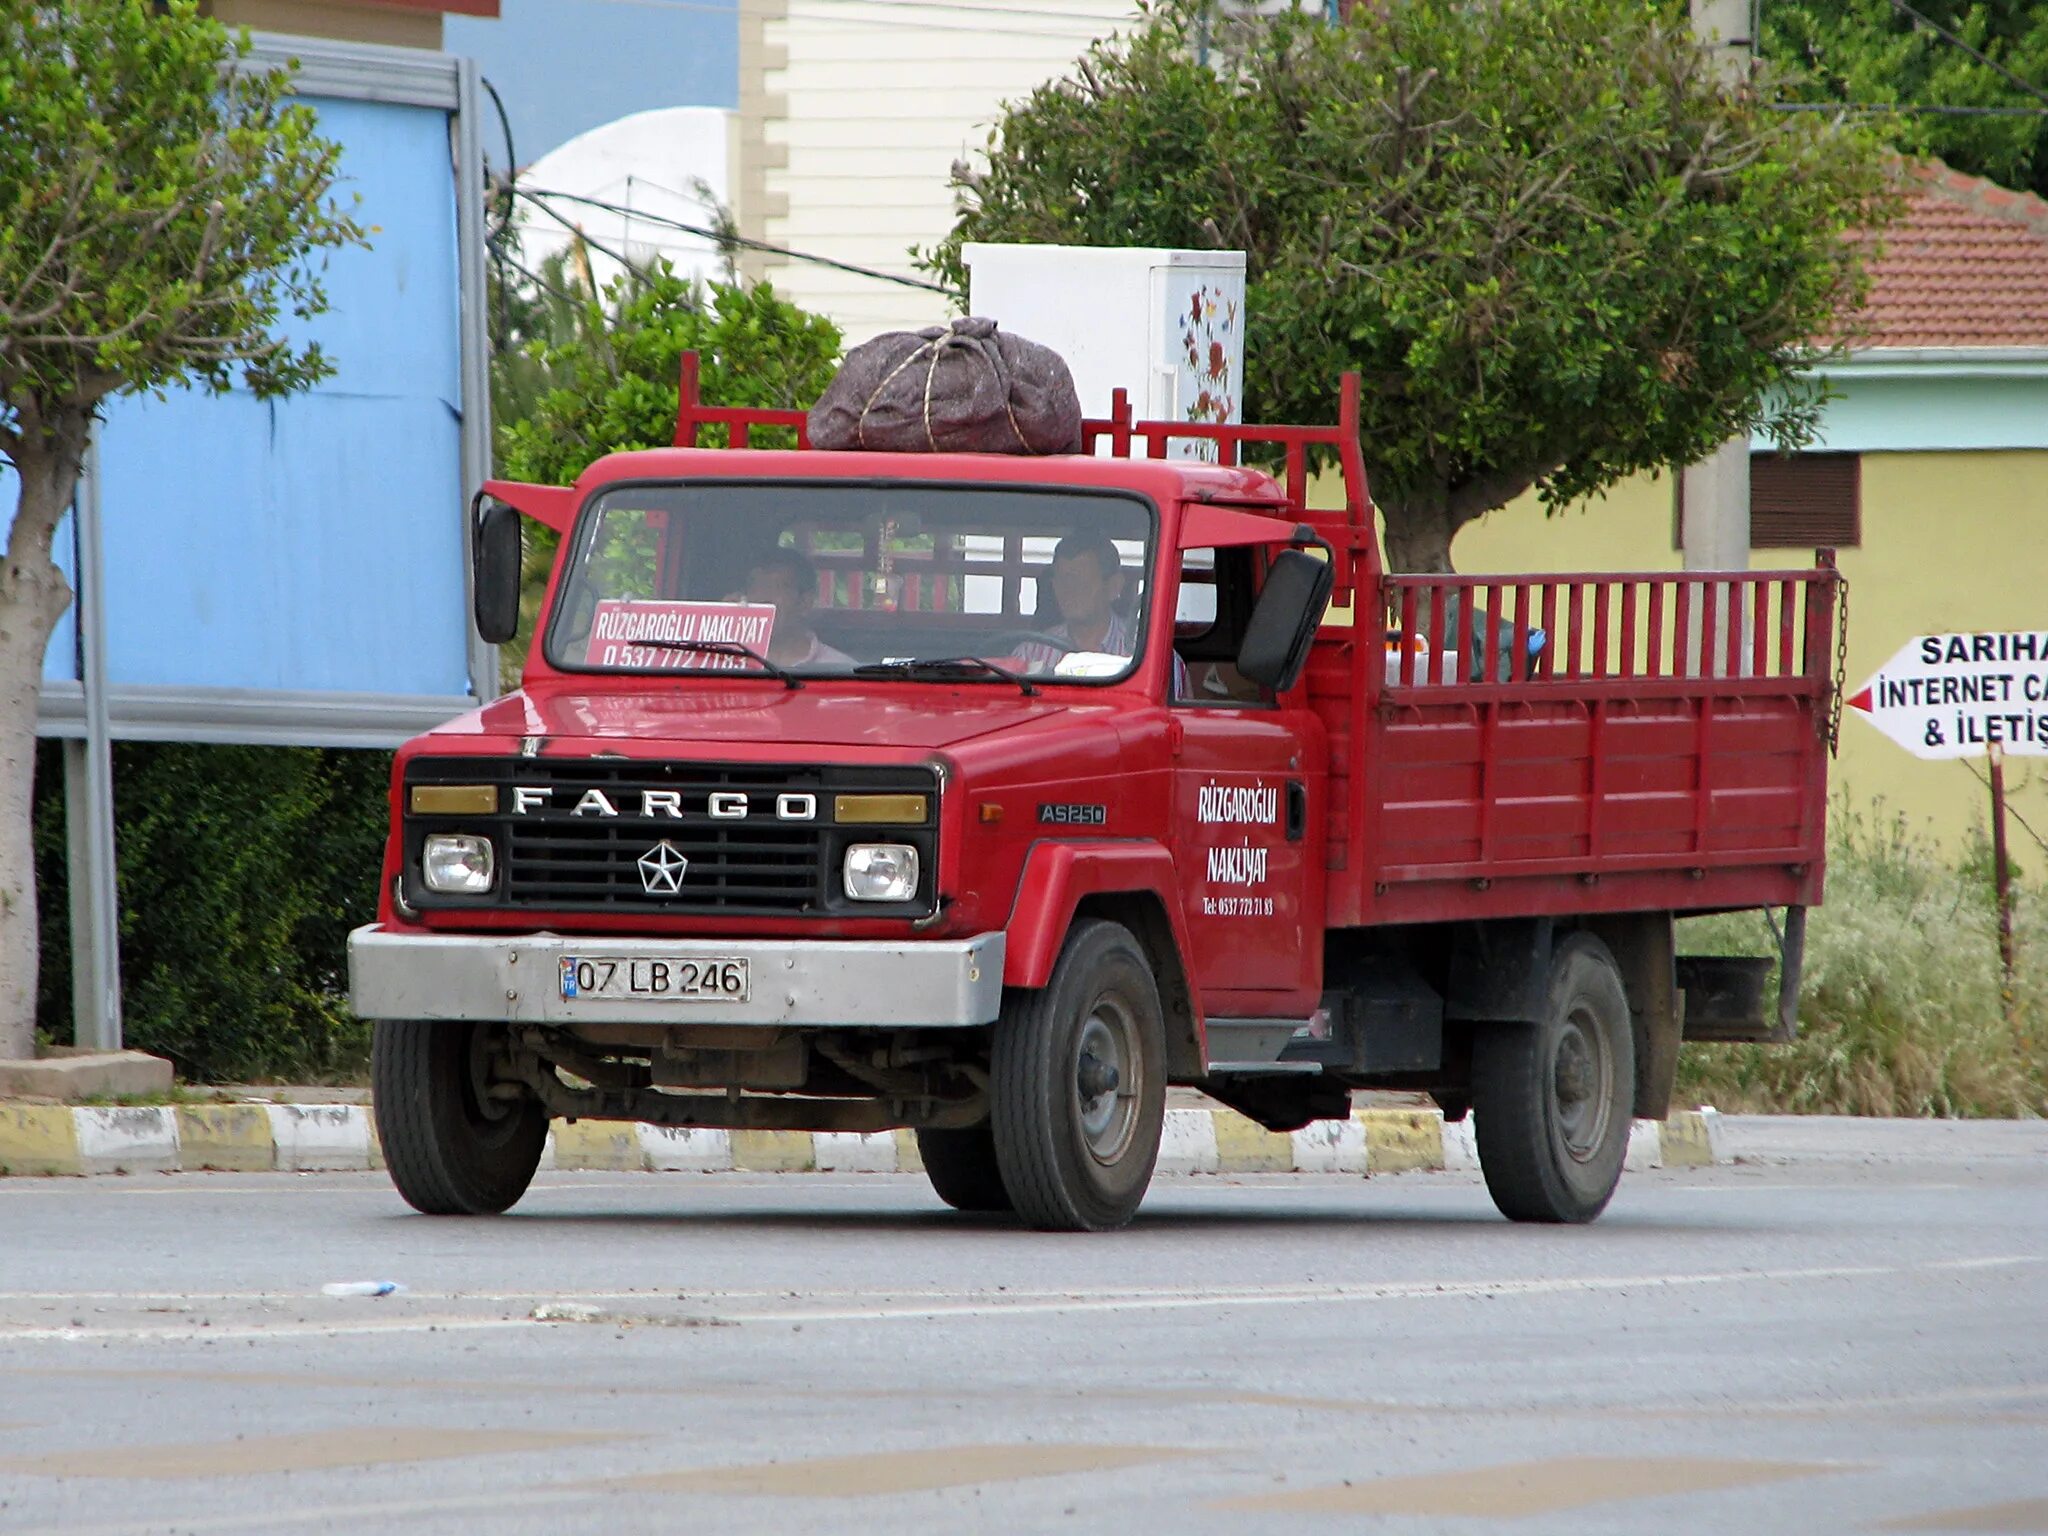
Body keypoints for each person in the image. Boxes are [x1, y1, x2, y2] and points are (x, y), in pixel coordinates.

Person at [1012, 531, 1187, 692]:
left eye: (1081, 580)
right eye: (1061, 579)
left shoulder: (1152, 653)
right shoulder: (1029, 653)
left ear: (1113, 586)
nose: (1068, 589)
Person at [743, 547, 853, 668]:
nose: (761, 598)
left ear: (805, 603)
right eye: (755, 587)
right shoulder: (730, 660)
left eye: (776, 587)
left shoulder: (841, 669)